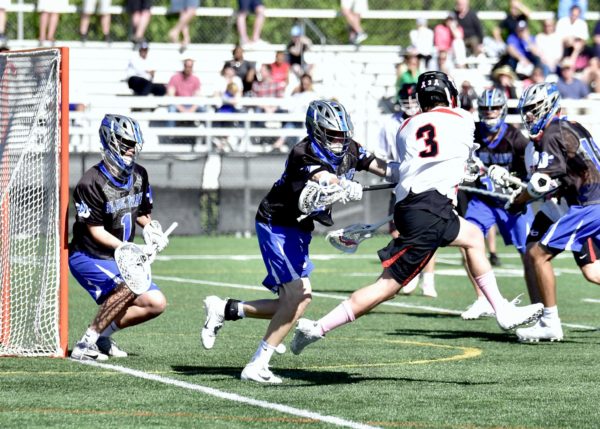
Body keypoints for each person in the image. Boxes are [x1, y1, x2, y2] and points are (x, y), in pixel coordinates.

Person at [290, 71, 544, 356]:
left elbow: (411, 166)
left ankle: (501, 308)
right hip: (431, 207)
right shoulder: (463, 118)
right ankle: (317, 328)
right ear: (449, 95)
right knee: (386, 287)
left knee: (473, 237)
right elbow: (461, 157)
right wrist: (471, 170)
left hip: (414, 205)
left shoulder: (405, 127)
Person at [200, 100, 386, 383]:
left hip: (300, 228)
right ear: (317, 131)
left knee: (294, 303)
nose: (339, 141)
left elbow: (382, 167)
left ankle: (225, 309)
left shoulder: (351, 148)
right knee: (299, 296)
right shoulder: (304, 151)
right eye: (333, 134)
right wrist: (344, 185)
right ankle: (257, 365)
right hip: (277, 224)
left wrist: (413, 174)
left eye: (342, 134)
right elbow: (323, 178)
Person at [495, 82, 600, 342]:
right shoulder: (570, 126)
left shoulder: (553, 132)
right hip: (580, 201)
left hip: (587, 204)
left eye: (534, 109)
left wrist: (518, 201)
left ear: (548, 106)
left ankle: (549, 323)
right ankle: (541, 317)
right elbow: (560, 177)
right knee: (590, 270)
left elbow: (541, 183)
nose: (529, 116)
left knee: (537, 254)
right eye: (527, 110)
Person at [69, 114, 169, 361]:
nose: (132, 149)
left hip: (120, 256)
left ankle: (102, 338)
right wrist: (130, 249)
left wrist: (151, 229)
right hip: (89, 255)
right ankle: (85, 344)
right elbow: (95, 230)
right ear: (110, 141)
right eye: (127, 143)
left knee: (155, 302)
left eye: (134, 143)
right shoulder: (91, 182)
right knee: (127, 286)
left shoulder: (139, 175)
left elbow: (142, 214)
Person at [460, 88, 535, 320]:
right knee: (467, 243)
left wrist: (512, 179)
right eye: (485, 109)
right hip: (483, 200)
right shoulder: (472, 134)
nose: (489, 112)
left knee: (531, 253)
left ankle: (539, 304)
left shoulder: (516, 138)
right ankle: (482, 299)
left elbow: (531, 173)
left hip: (512, 202)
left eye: (494, 108)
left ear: (502, 110)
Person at [376, 83, 437, 298]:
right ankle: (410, 275)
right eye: (407, 100)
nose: (410, 104)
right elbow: (382, 154)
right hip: (400, 183)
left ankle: (428, 279)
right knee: (396, 231)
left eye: (414, 99)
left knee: (427, 232)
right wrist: (390, 172)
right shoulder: (390, 124)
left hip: (424, 182)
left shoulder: (428, 120)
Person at [166, 58, 203, 128]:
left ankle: (207, 133)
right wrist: (182, 109)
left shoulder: (196, 79)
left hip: (191, 105)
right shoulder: (174, 78)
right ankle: (170, 132)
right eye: (187, 66)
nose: (188, 69)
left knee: (204, 110)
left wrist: (192, 109)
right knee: (171, 109)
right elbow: (171, 96)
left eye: (190, 66)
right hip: (177, 104)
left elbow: (198, 97)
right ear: (184, 66)